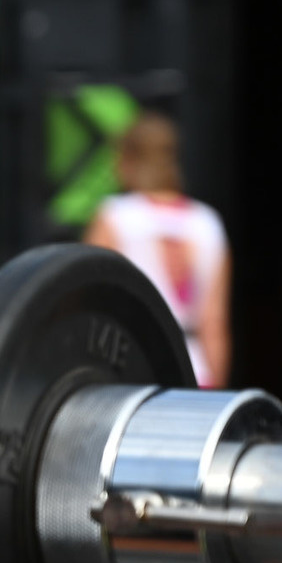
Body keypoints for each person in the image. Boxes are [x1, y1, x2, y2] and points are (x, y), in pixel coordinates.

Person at [86, 113, 231, 387]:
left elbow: (91, 300)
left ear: (127, 159)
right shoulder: (207, 222)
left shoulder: (115, 216)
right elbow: (214, 322)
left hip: (132, 371)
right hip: (195, 369)